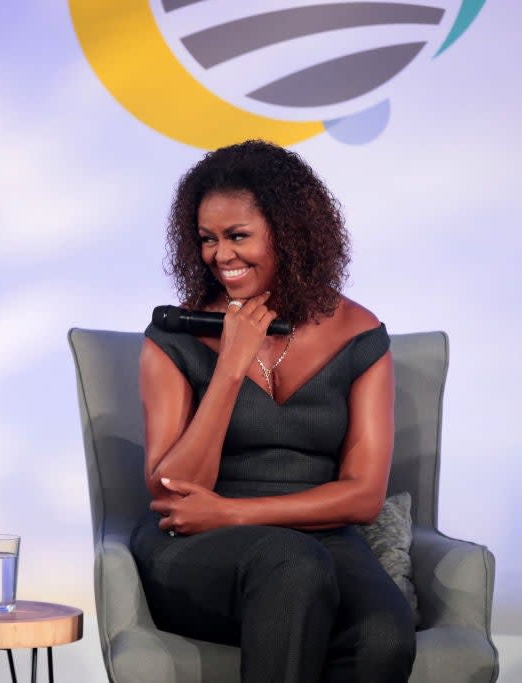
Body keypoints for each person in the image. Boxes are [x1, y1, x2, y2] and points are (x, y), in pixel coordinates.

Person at [131, 140, 416, 682]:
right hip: (196, 544)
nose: (221, 256)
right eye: (208, 240)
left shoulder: (359, 333)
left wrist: (235, 512)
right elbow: (174, 491)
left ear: (290, 232)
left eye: (238, 236)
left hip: (319, 533)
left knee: (384, 637)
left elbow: (363, 495)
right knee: (290, 565)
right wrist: (230, 367)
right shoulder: (173, 336)